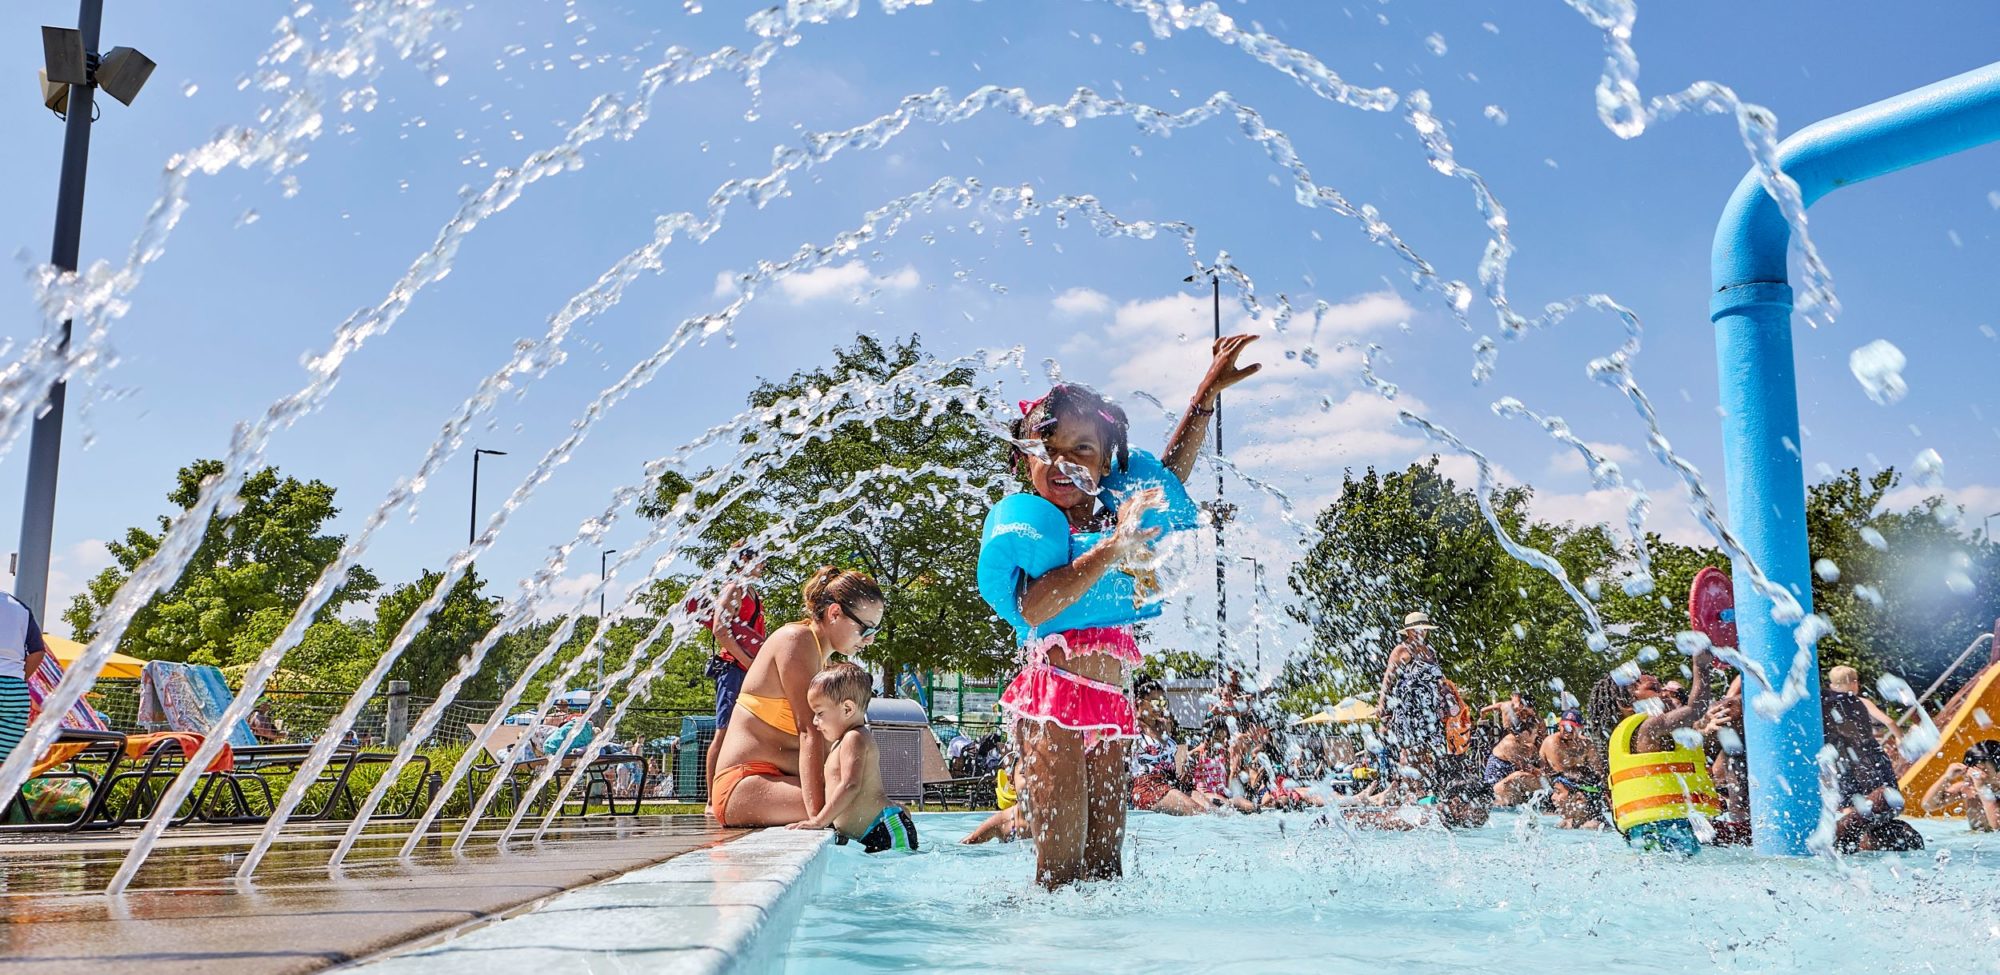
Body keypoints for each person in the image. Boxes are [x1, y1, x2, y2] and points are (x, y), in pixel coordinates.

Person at [998, 337, 1259, 891]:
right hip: (1055, 703)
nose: (1065, 464)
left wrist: (1204, 398)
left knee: (1104, 875)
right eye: (1052, 449)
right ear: (1028, 457)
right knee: (1060, 876)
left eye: (1083, 450)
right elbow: (1035, 606)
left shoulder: (1115, 510)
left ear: (1107, 460)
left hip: (1111, 707)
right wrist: (1112, 549)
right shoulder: (1042, 527)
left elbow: (1169, 476)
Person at [711, 567, 884, 827]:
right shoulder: (796, 640)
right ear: (835, 613)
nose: (870, 640)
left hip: (777, 781)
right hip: (744, 784)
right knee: (855, 812)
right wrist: (818, 819)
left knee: (866, 804)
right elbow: (809, 733)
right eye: (866, 629)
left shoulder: (821, 662)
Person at [787, 662, 917, 853]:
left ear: (847, 709)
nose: (815, 721)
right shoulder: (842, 742)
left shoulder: (854, 738)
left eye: (820, 713)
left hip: (886, 829)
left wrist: (819, 821)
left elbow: (850, 785)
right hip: (873, 831)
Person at [1605, 650, 1722, 855]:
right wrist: (1700, 666)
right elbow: (1696, 709)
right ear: (1625, 704)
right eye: (1654, 689)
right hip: (1661, 827)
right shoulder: (1649, 727)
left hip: (1648, 827)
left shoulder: (1650, 732)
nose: (1664, 693)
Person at [700, 548, 769, 815]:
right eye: (758, 559)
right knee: (724, 731)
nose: (763, 564)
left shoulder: (752, 592)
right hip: (732, 668)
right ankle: (710, 800)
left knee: (749, 732)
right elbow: (720, 629)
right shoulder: (734, 589)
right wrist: (748, 661)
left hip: (746, 669)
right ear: (744, 561)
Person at [1378, 611, 1450, 790]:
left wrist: (1447, 698)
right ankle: (1409, 790)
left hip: (1428, 709)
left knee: (1427, 751)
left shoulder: (1430, 651)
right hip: (1408, 708)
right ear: (1408, 632)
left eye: (1424, 629)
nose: (1421, 632)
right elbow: (1388, 677)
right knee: (1408, 751)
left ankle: (1423, 789)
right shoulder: (1401, 650)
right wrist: (1382, 703)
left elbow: (1439, 679)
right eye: (1417, 629)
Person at [1821, 667, 1903, 815]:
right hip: (1869, 755)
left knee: (1848, 801)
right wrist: (1900, 738)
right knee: (1884, 798)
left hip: (1842, 758)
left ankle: (1850, 831)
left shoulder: (1825, 703)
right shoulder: (1861, 702)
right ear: (1854, 683)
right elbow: (1889, 721)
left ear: (1833, 685)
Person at [1129, 679, 1209, 815]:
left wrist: (1184, 766)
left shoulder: (1164, 725)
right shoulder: (1131, 727)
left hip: (1173, 782)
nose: (1160, 707)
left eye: (1162, 703)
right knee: (1199, 813)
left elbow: (1177, 751)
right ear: (1139, 702)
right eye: (1155, 702)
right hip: (1148, 787)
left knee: (1215, 812)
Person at [0, 590, 49, 767]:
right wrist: (19, 677)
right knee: (5, 763)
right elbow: (38, 651)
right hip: (15, 690)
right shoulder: (19, 607)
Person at [1542, 708, 1609, 828]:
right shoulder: (1553, 742)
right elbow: (1561, 774)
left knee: (1596, 822)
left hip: (1578, 790)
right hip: (1557, 788)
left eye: (1572, 727)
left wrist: (1607, 792)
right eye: (1565, 726)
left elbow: (1599, 770)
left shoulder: (1586, 745)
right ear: (1559, 726)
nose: (1568, 730)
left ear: (1580, 728)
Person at [1481, 693, 1546, 807]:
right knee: (1521, 775)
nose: (1537, 737)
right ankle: (1547, 797)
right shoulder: (1510, 743)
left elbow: (1539, 763)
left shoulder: (1528, 744)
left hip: (1507, 784)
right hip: (1494, 787)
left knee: (1528, 777)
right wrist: (1545, 776)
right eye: (1535, 734)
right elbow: (1527, 769)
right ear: (1525, 734)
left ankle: (1539, 800)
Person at [1920, 740, 2000, 831]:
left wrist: (1982, 788)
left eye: (1982, 771)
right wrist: (1946, 777)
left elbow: (1996, 827)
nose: (1975, 775)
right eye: (1971, 770)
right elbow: (1928, 806)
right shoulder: (1966, 789)